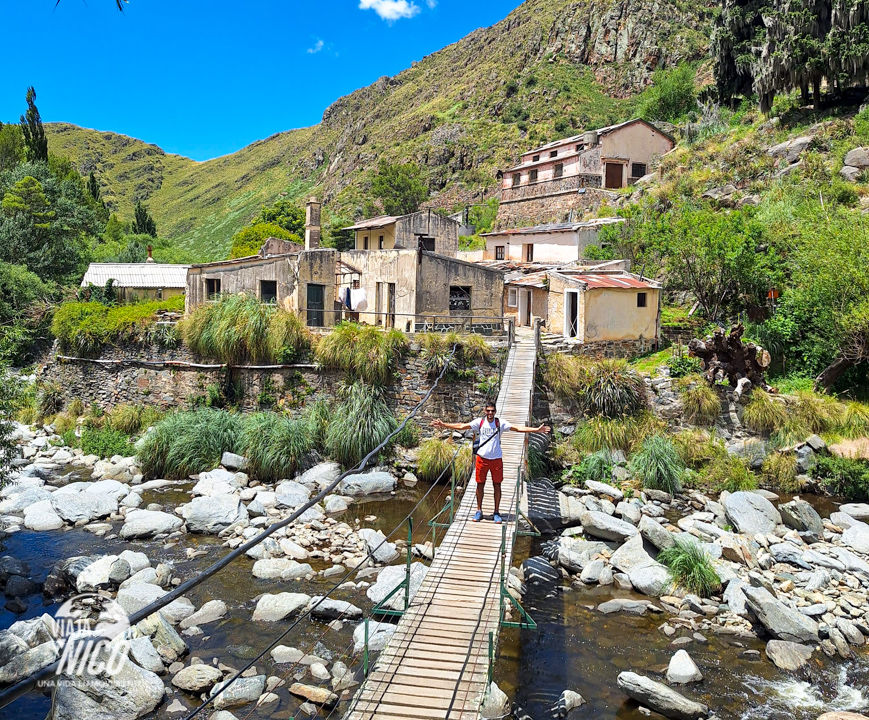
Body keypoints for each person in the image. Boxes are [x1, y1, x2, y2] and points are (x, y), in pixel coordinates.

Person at [431, 401, 550, 523]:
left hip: (496, 460)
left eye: (492, 411)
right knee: (480, 484)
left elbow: (518, 428)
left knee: (497, 485)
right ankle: (479, 511)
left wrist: (536, 430)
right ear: (484, 411)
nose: (490, 413)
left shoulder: (500, 423)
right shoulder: (480, 422)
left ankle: (496, 512)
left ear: (495, 411)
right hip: (482, 459)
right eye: (488, 410)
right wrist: (443, 424)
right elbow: (462, 426)